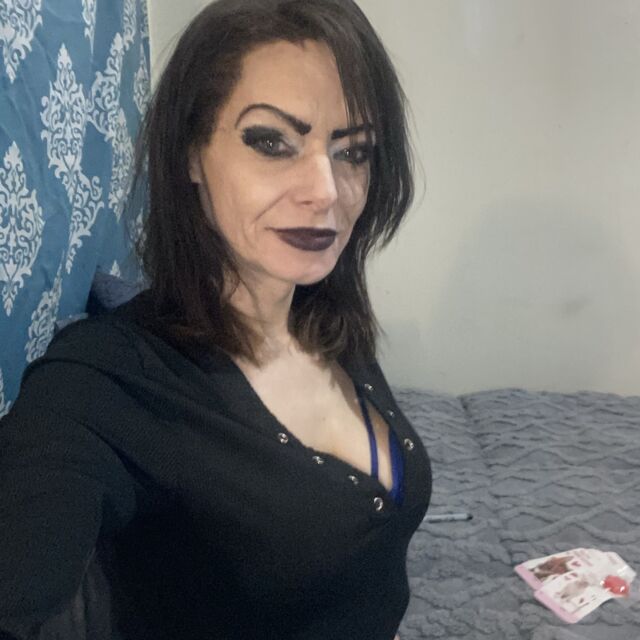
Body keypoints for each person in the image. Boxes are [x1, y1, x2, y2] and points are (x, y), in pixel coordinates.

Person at [0, 0, 431, 638]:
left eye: (353, 151)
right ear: (191, 153)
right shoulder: (102, 382)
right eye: (272, 142)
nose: (327, 191)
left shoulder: (324, 317)